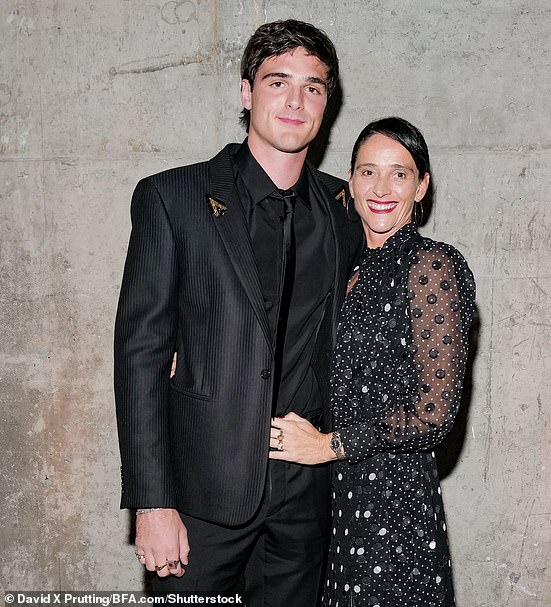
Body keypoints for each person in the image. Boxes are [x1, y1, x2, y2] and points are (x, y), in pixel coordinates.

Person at [113, 19, 364, 604]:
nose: (296, 101)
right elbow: (140, 359)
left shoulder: (344, 211)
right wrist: (152, 504)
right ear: (247, 92)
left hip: (306, 499)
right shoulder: (171, 198)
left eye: (313, 86)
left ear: (328, 102)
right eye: (279, 82)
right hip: (200, 498)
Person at [269, 117, 476, 606]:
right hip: (332, 503)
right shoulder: (345, 268)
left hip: (393, 506)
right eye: (367, 172)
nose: (381, 188)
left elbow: (434, 414)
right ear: (351, 182)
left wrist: (330, 445)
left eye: (399, 174)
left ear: (422, 186)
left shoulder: (431, 265)